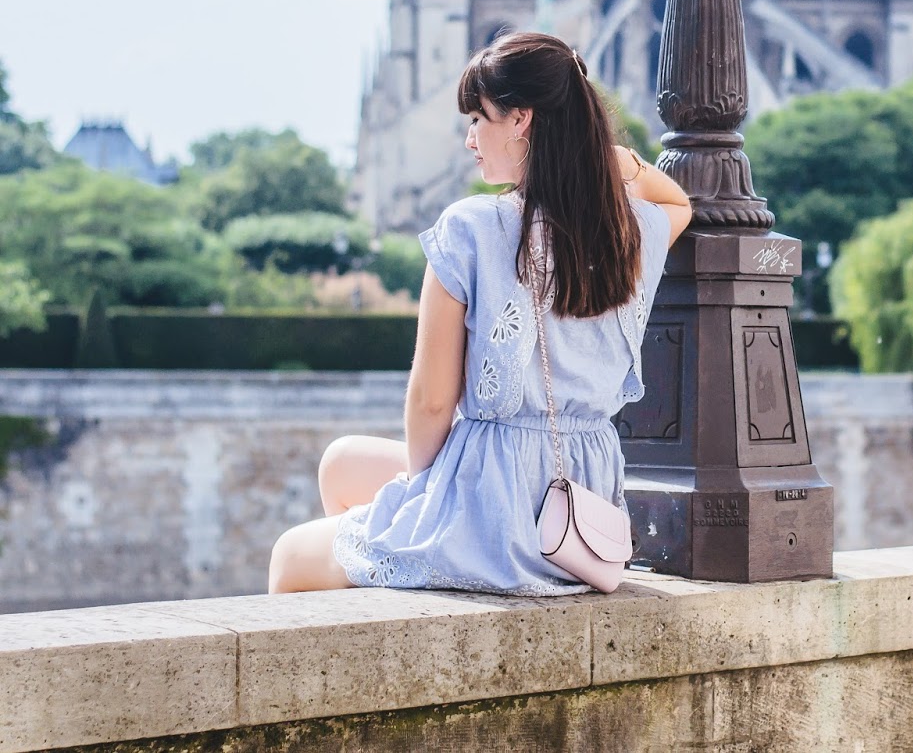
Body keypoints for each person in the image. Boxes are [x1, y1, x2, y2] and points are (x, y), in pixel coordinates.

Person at [267, 33, 692, 595]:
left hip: (498, 510)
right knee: (341, 462)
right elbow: (678, 202)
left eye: (477, 118)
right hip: (578, 502)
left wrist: (426, 495)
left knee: (290, 556)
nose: (470, 140)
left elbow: (432, 402)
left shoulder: (471, 228)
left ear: (521, 120)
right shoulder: (628, 232)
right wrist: (616, 159)